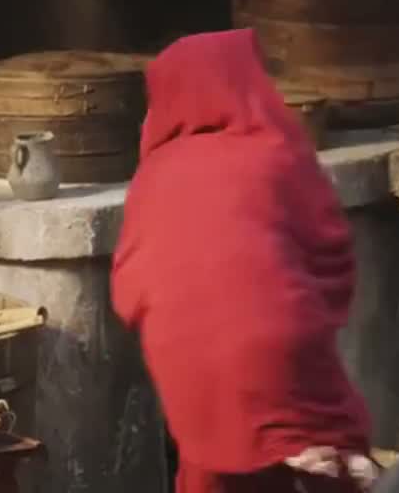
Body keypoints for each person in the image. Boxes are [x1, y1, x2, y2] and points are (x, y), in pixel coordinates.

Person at [111, 30, 377, 493]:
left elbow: (127, 291)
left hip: (183, 356)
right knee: (330, 446)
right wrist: (314, 316)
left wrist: (181, 324)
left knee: (213, 460)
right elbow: (331, 252)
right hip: (279, 341)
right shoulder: (275, 152)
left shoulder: (152, 175)